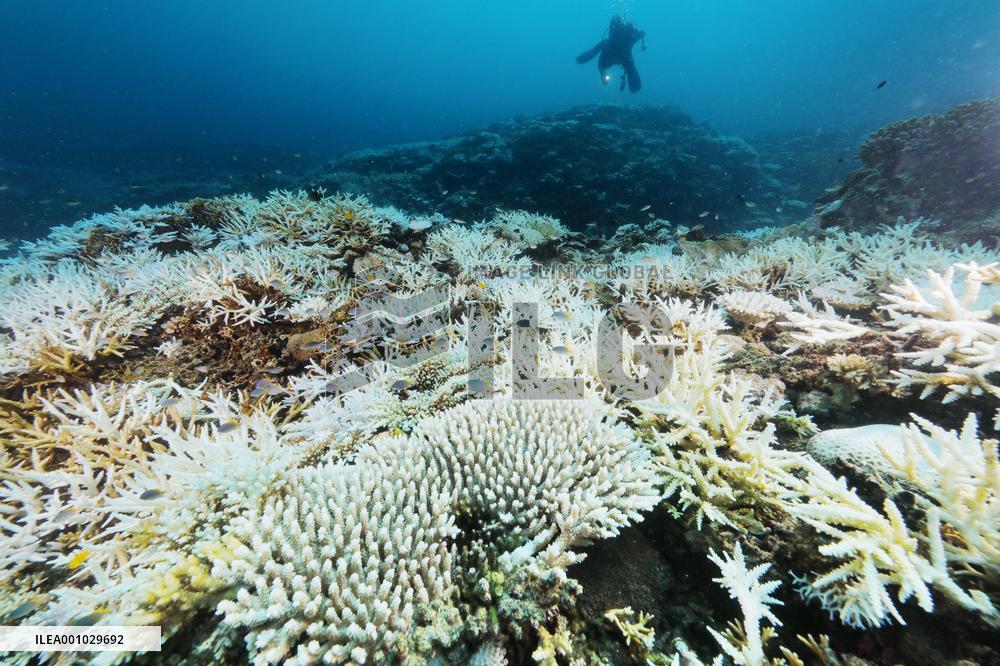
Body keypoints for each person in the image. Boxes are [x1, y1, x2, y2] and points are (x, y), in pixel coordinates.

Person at [576, 15, 646, 93]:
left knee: (600, 59)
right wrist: (640, 35)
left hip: (616, 57)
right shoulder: (629, 38)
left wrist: (603, 74)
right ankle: (634, 89)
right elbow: (640, 34)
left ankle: (634, 88)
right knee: (633, 78)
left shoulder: (608, 42)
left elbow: (593, 55)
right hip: (623, 58)